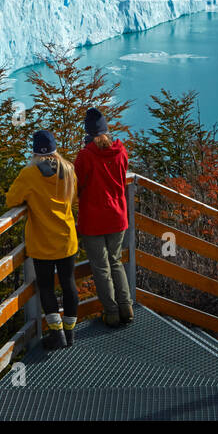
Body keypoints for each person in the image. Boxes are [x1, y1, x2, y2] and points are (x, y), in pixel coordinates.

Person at [6, 130, 79, 349]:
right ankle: (70, 332)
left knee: (46, 287)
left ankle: (57, 334)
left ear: (34, 152)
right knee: (69, 284)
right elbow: (73, 198)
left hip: (42, 241)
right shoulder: (68, 169)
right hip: (67, 238)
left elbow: (11, 199)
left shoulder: (29, 174)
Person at [74, 108, 133, 327]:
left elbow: (76, 185)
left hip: (93, 219)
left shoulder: (85, 156)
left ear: (88, 133)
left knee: (100, 267)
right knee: (115, 261)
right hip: (117, 216)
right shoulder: (120, 151)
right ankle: (126, 306)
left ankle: (111, 312)